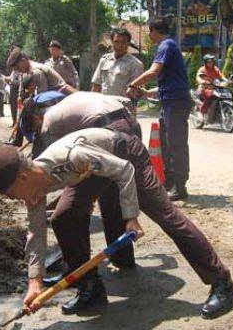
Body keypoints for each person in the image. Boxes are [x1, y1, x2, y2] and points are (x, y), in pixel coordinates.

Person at [0, 128, 233, 319]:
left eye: (11, 194)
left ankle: (222, 282)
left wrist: (131, 216)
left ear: (24, 177)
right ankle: (91, 289)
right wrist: (34, 281)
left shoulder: (74, 157)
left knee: (166, 216)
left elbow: (124, 170)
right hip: (93, 171)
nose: (15, 199)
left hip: (124, 155)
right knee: (64, 218)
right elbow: (36, 232)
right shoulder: (34, 188)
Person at [19, 91, 143, 269]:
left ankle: (82, 270)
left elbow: (64, 165)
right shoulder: (61, 104)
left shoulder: (48, 125)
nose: (39, 135)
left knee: (70, 211)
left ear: (36, 119)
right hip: (128, 125)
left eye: (35, 131)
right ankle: (122, 259)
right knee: (110, 197)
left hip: (107, 139)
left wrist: (80, 198)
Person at [128, 16, 192, 201]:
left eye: (150, 31)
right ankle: (170, 183)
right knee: (166, 143)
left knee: (176, 144)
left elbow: (154, 71)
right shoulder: (168, 46)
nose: (149, 35)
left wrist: (132, 85)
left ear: (155, 31)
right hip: (170, 101)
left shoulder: (166, 45)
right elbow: (168, 82)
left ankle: (180, 186)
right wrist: (148, 92)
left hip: (176, 102)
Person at [91, 28, 145, 108]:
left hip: (123, 109)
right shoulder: (104, 60)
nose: (120, 45)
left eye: (123, 42)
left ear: (128, 43)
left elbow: (137, 91)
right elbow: (96, 85)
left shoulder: (136, 64)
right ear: (112, 42)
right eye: (116, 42)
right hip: (104, 106)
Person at [6, 47, 76, 96]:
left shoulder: (36, 71)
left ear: (23, 60)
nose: (19, 71)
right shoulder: (27, 71)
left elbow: (43, 98)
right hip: (56, 97)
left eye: (18, 68)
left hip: (63, 96)